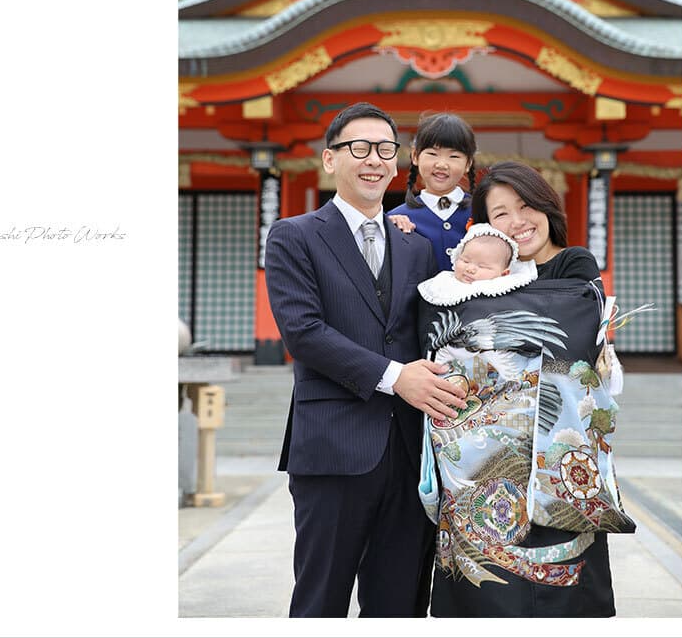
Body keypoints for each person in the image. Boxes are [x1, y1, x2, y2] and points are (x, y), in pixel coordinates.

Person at [264, 102, 468, 618]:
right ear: (330, 160)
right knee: (320, 599)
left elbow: (432, 334)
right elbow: (304, 332)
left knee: (399, 603)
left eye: (384, 149)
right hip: (334, 446)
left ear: (398, 164)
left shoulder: (417, 248)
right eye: (359, 148)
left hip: (409, 452)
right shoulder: (295, 235)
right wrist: (397, 378)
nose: (373, 159)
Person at [421, 160, 628, 618]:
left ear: (547, 206)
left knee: (564, 578)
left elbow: (570, 344)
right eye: (501, 214)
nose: (518, 221)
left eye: (527, 204)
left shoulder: (573, 262)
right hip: (481, 456)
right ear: (485, 227)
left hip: (555, 443)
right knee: (483, 579)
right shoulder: (472, 276)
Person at [387, 112, 477, 270]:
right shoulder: (397, 219)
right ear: (415, 156)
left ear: (468, 163)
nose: (442, 164)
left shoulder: (483, 212)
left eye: (454, 156)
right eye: (432, 154)